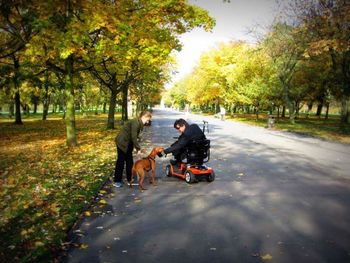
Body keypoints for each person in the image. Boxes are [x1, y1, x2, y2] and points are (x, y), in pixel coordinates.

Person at [113, 111, 152, 188]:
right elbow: (133, 137)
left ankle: (129, 178)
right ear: (143, 117)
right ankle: (117, 181)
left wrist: (137, 142)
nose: (147, 122)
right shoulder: (135, 123)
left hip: (128, 143)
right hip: (122, 143)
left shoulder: (138, 122)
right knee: (121, 161)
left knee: (129, 161)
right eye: (147, 120)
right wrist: (138, 148)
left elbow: (135, 136)